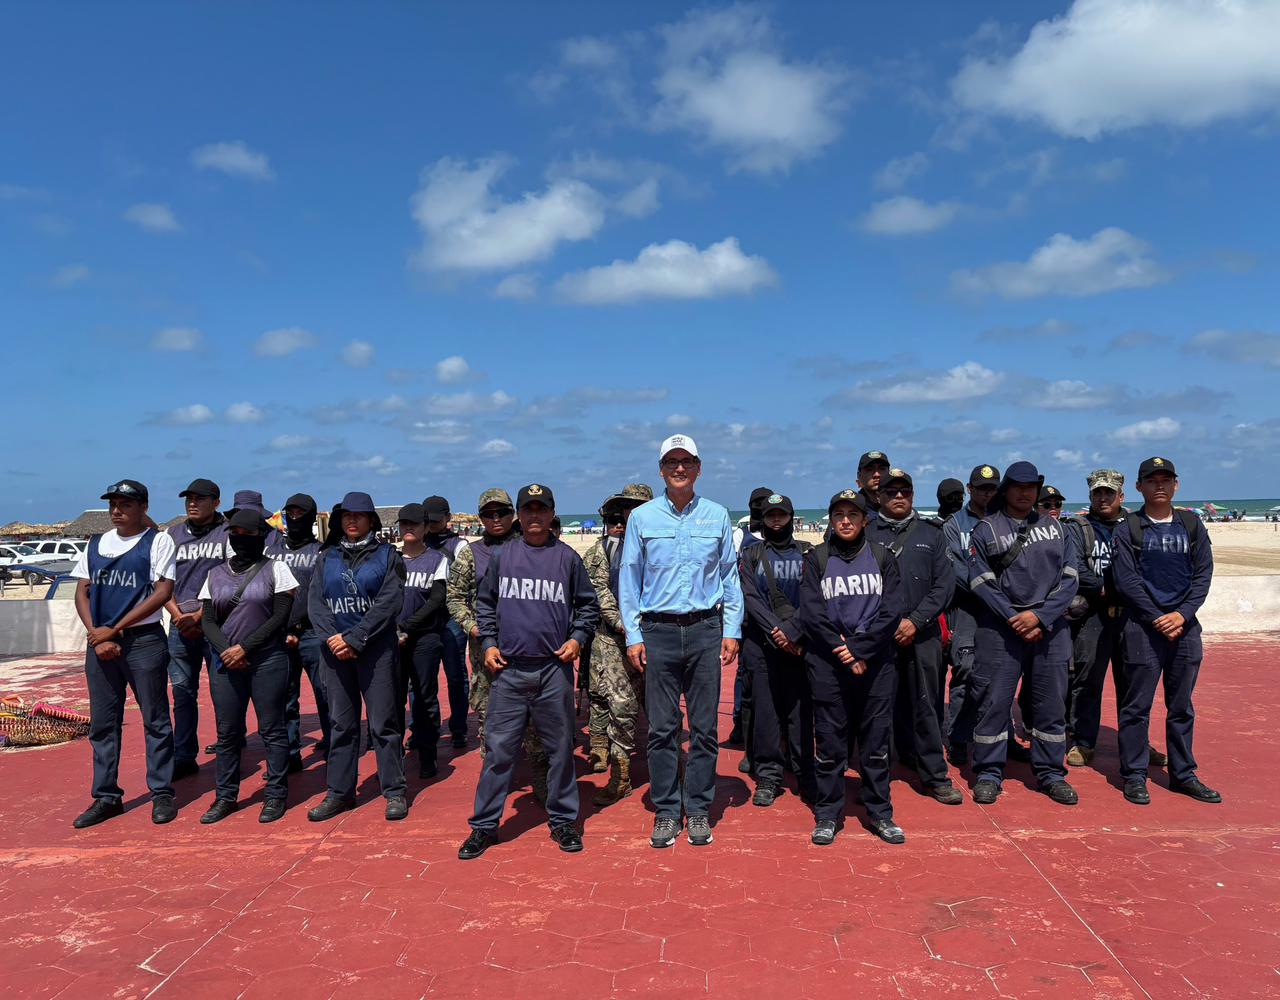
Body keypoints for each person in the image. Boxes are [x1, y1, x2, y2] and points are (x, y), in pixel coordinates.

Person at [458, 483, 600, 859]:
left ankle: (564, 820)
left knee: (560, 751)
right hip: (508, 671)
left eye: (542, 509)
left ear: (553, 513)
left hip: (553, 670)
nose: (535, 516)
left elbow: (588, 607)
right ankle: (485, 827)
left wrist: (578, 639)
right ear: (518, 515)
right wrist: (488, 642)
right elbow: (484, 604)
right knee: (499, 753)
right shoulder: (503, 557)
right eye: (528, 509)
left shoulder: (568, 559)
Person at [619, 434, 743, 849]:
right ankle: (668, 811)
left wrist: (731, 629)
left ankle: (699, 809)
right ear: (660, 469)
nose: (679, 468)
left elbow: (729, 577)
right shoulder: (643, 518)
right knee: (662, 728)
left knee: (705, 728)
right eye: (671, 461)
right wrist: (634, 635)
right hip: (658, 632)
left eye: (686, 461)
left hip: (707, 630)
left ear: (698, 467)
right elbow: (629, 581)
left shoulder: (717, 515)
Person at [967, 461, 1080, 806]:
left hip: (1050, 630)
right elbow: (980, 581)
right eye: (1017, 485)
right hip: (1001, 632)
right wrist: (1016, 618)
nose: (1024, 492)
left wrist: (1039, 616)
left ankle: (1050, 773)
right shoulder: (986, 529)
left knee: (1050, 705)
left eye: (1031, 487)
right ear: (1006, 489)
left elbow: (1070, 579)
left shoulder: (1058, 529)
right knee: (994, 703)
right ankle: (988, 773)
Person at [1109, 457, 1219, 805]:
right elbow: (1126, 580)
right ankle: (1135, 775)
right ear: (1139, 487)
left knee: (1182, 706)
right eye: (1151, 480)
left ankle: (1183, 774)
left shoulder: (1191, 524)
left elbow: (1202, 575)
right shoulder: (1129, 528)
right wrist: (1158, 616)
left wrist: (1182, 615)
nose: (1159, 485)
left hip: (1185, 629)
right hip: (1142, 628)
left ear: (1176, 485)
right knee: (1136, 707)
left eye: (1166, 479)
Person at [798, 490, 904, 845]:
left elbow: (892, 610)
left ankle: (881, 812)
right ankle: (828, 814)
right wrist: (841, 650)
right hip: (829, 663)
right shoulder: (817, 558)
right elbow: (811, 611)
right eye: (839, 514)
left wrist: (860, 649)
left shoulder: (882, 557)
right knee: (829, 745)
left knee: (876, 746)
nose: (845, 520)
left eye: (852, 514)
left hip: (875, 664)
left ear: (864, 520)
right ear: (830, 519)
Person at [71, 480, 178, 828]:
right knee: (103, 724)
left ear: (143, 507)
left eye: (125, 504)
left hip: (142, 642)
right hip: (100, 643)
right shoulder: (95, 544)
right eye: (113, 504)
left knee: (155, 719)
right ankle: (106, 796)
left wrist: (113, 630)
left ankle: (162, 792)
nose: (117, 510)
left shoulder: (157, 541)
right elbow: (81, 593)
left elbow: (162, 592)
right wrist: (97, 635)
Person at [306, 492, 409, 822]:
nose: (352, 520)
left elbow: (389, 603)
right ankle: (339, 792)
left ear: (371, 520)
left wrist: (355, 638)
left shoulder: (388, 556)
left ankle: (393, 790)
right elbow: (316, 604)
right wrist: (332, 639)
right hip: (335, 653)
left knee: (383, 723)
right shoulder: (327, 558)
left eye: (359, 515)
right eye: (346, 515)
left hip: (375, 651)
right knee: (342, 725)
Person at [865, 470, 961, 805]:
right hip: (880, 635)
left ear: (913, 494)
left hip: (923, 636)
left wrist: (916, 621)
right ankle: (876, 780)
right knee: (879, 709)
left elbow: (944, 585)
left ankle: (934, 775)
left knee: (926, 707)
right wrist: (886, 624)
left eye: (904, 490)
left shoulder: (931, 533)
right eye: (891, 491)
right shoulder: (866, 531)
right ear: (879, 496)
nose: (898, 496)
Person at [198, 508, 297, 824]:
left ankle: (275, 795)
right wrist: (227, 650)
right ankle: (225, 796)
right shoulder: (214, 575)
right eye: (235, 534)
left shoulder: (277, 569)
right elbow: (209, 620)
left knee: (272, 729)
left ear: (262, 537)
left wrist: (245, 647)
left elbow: (280, 617)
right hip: (227, 663)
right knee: (227, 733)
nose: (241, 540)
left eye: (248, 534)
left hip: (267, 660)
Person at [739, 493, 815, 807]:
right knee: (766, 712)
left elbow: (815, 595)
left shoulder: (809, 554)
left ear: (791, 517)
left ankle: (804, 771)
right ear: (763, 519)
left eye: (781, 515)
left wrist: (793, 631)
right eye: (770, 516)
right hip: (762, 643)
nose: (776, 521)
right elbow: (750, 596)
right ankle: (769, 776)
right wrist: (777, 631)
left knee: (801, 711)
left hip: (800, 643)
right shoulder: (752, 555)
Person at [582, 484, 654, 796]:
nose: (633, 512)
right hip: (615, 642)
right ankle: (621, 776)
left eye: (640, 506)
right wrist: (624, 624)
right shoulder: (604, 549)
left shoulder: (665, 544)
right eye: (628, 507)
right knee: (620, 710)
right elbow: (598, 590)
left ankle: (674, 774)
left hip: (657, 639)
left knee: (663, 710)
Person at [164, 478, 230, 779]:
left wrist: (203, 616)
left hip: (217, 623)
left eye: (200, 498)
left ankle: (229, 747)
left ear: (215, 502)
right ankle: (184, 754)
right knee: (182, 692)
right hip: (180, 625)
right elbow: (162, 581)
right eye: (188, 498)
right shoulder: (172, 534)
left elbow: (232, 580)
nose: (192, 503)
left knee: (223, 691)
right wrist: (178, 616)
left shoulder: (228, 532)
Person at [940, 464, 1000, 765]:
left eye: (992, 488)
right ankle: (959, 738)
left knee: (1001, 676)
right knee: (965, 673)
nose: (987, 493)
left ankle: (999, 736)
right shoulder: (954, 524)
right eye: (981, 488)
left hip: (1002, 609)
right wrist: (990, 590)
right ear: (969, 489)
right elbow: (956, 569)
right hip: (968, 608)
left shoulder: (1007, 521)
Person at [266, 494, 328, 767]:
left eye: (300, 512)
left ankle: (333, 746)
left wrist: (299, 626)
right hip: (278, 634)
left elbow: (322, 597)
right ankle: (290, 754)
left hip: (312, 633)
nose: (294, 517)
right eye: (289, 511)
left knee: (324, 693)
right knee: (285, 697)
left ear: (311, 517)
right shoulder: (271, 551)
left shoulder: (322, 553)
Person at [396, 503, 449, 779]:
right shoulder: (391, 559)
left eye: (414, 524)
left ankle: (428, 756)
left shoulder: (437, 560)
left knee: (425, 698)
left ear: (426, 528)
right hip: (393, 641)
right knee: (392, 700)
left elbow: (437, 600)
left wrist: (407, 626)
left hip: (424, 639)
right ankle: (393, 760)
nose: (408, 528)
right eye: (404, 523)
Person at [423, 496, 470, 749]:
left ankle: (459, 727)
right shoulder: (417, 542)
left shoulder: (459, 545)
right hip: (424, 620)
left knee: (455, 675)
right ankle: (422, 726)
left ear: (448, 518)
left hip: (451, 619)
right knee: (420, 678)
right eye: (428, 521)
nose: (432, 525)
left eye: (437, 520)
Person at [856, 451, 890, 515]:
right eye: (869, 469)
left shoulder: (898, 506)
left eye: (882, 469)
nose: (876, 474)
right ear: (859, 475)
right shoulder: (853, 508)